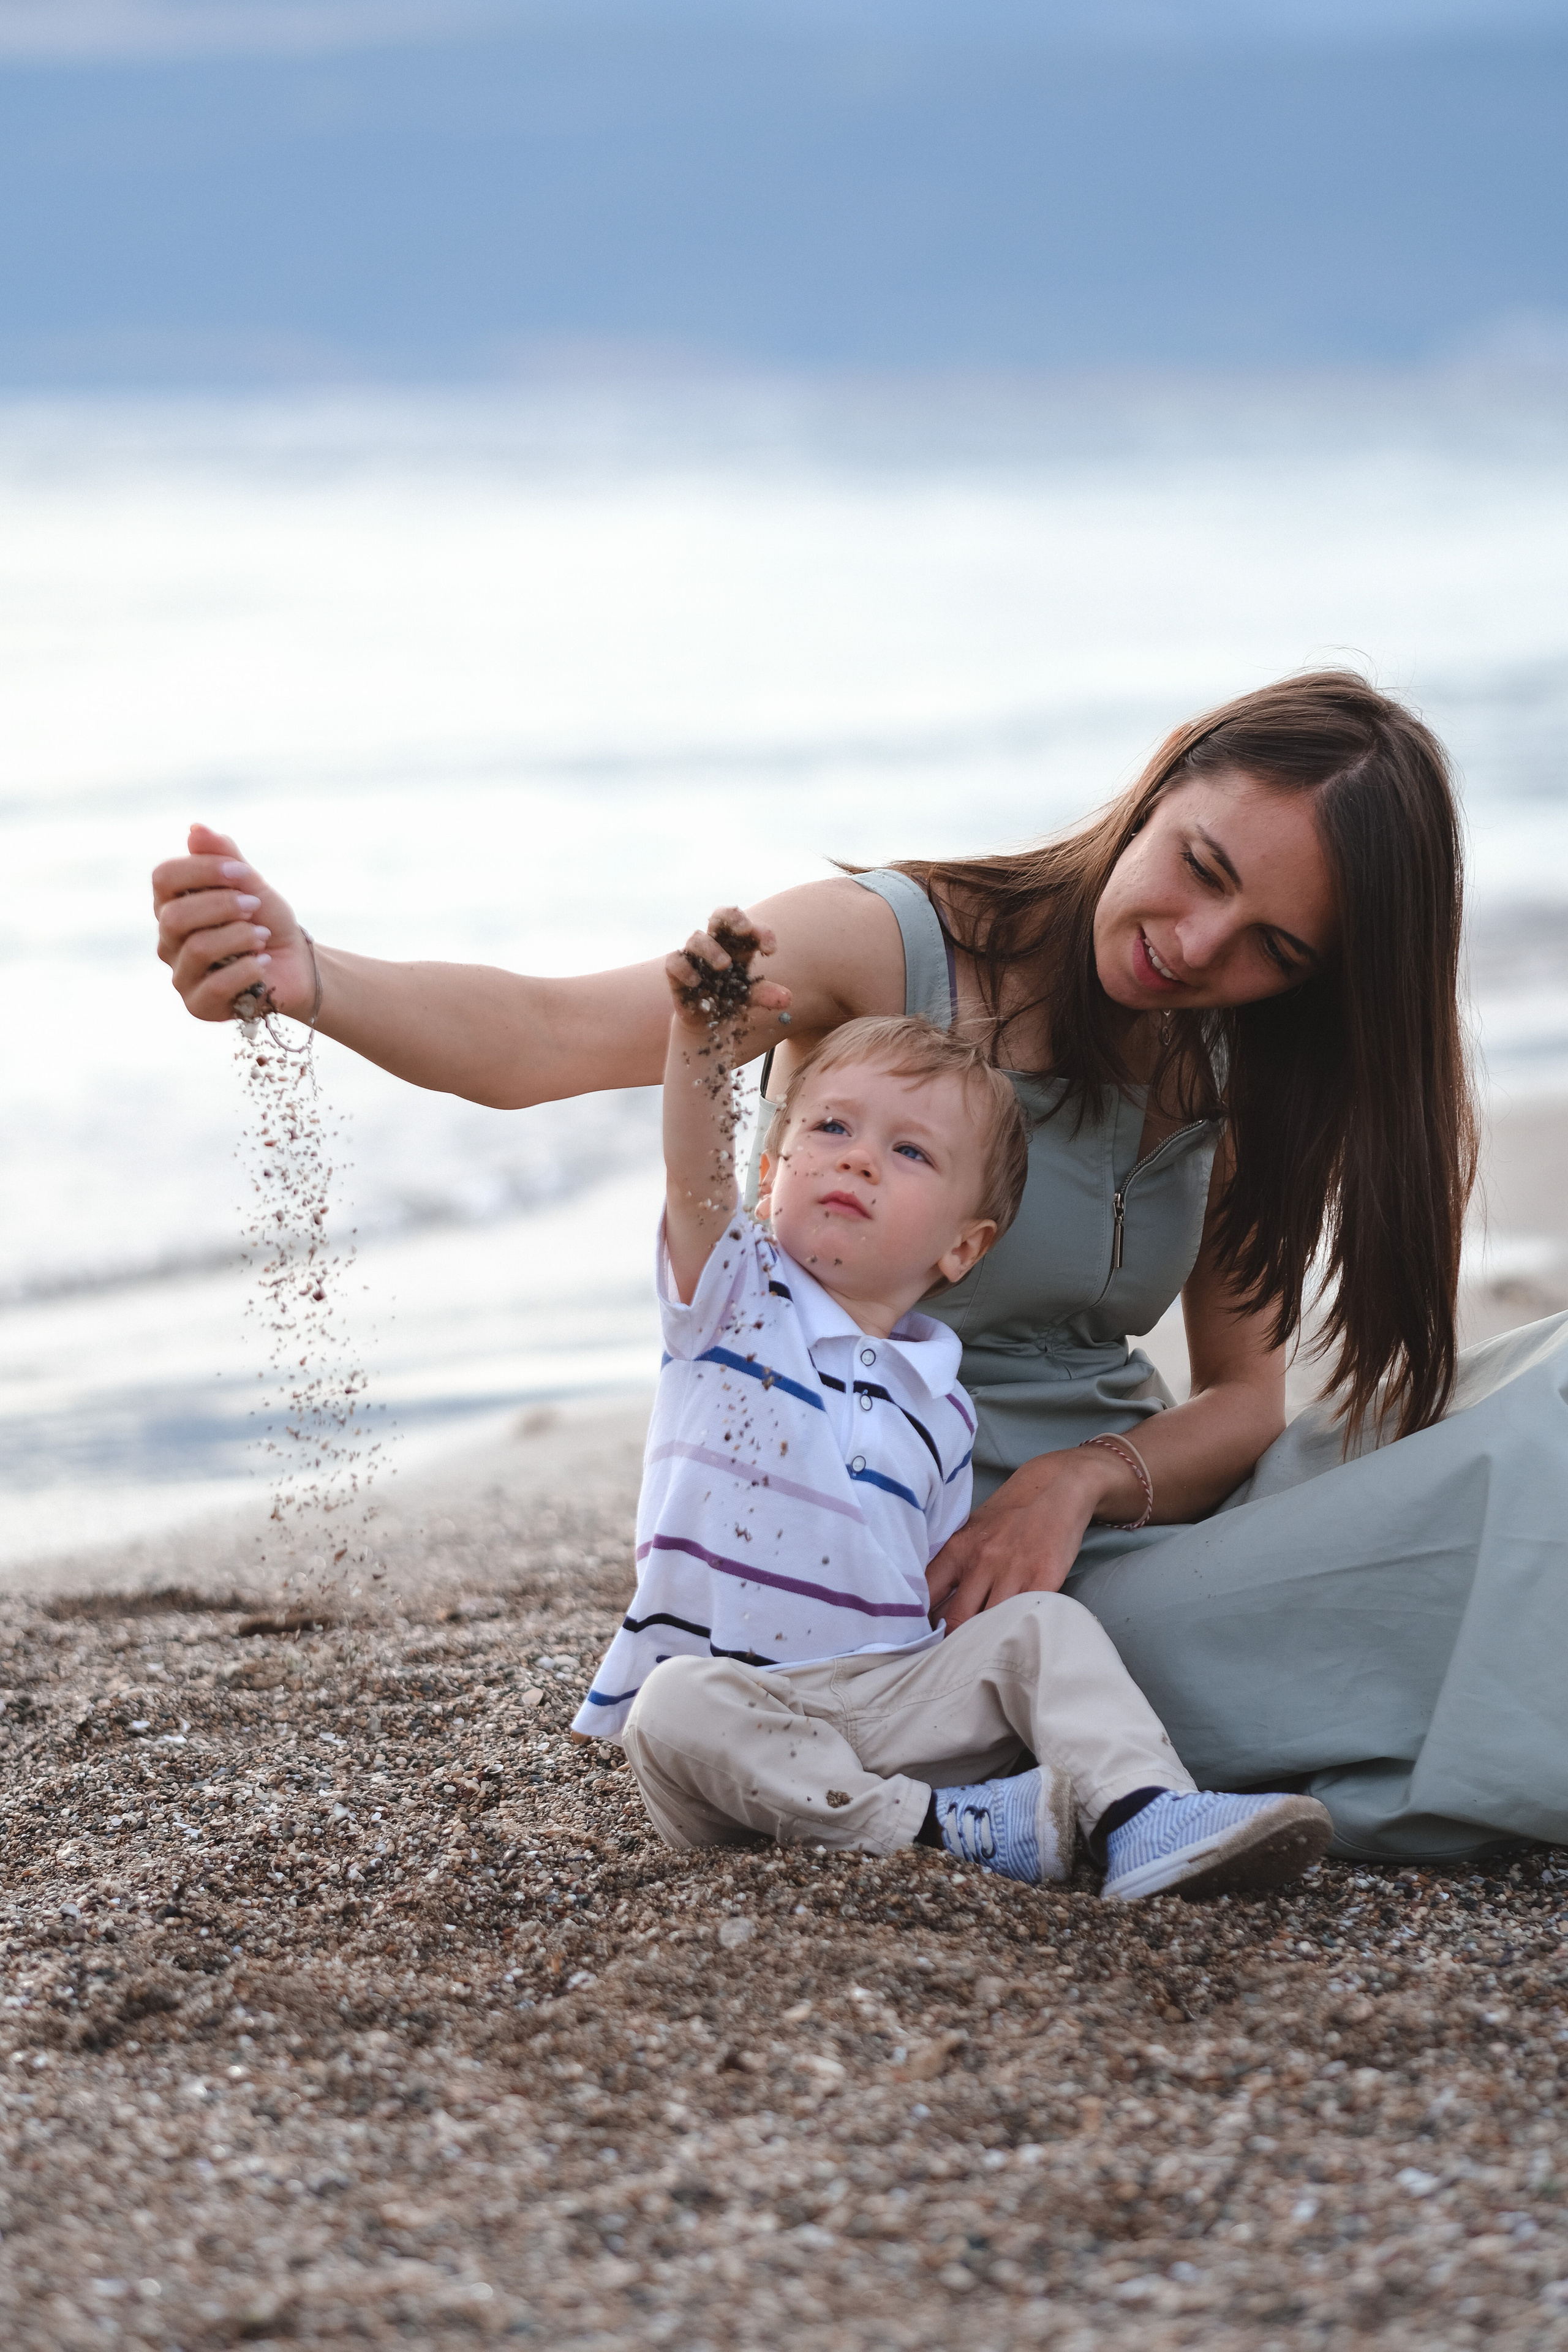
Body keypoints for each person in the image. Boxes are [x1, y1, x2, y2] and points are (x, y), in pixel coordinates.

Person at [152, 669, 1568, 1864]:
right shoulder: (889, 948)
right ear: (1161, 785)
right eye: (1199, 869)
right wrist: (312, 973)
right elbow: (546, 1036)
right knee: (1443, 1570)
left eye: (1270, 949)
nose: (1194, 947)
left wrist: (1078, 1481)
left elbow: (1245, 1404)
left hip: (1126, 1508)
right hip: (939, 1588)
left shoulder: (1234, 1061)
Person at [578, 908, 1331, 1901]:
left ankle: (1144, 1811)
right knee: (671, 1705)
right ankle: (935, 1832)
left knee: (1044, 1630)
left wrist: (958, 1691)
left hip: (886, 1701)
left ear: (964, 1247)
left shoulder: (941, 1401)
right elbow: (692, 1169)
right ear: (770, 1176)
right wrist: (699, 1038)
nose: (856, 1158)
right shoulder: (734, 1302)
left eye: (910, 1153)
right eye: (833, 1128)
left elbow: (926, 1588)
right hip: (740, 1724)